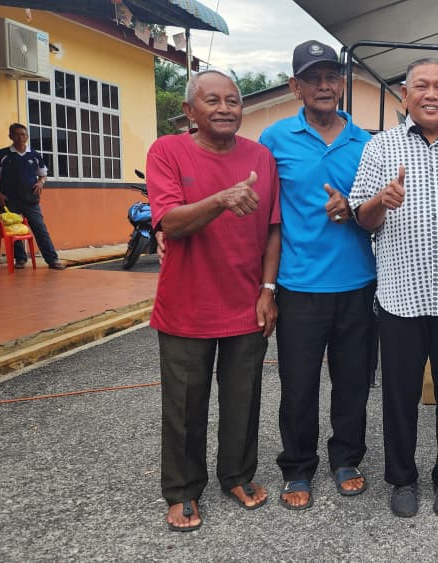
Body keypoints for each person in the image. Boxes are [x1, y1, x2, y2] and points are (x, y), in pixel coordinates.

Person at [348, 59, 438, 518]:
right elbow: (362, 217)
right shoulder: (380, 148)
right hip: (400, 297)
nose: (431, 94)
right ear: (405, 95)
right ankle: (402, 479)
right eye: (421, 86)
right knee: (400, 396)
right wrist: (381, 200)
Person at [146, 70, 281, 532]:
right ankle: (183, 490)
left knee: (243, 399)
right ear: (190, 110)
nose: (225, 108)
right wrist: (221, 199)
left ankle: (237, 476)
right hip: (185, 306)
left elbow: (273, 229)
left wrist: (268, 290)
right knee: (184, 405)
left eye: (233, 100)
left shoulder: (261, 157)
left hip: (246, 302)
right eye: (212, 100)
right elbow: (169, 222)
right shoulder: (167, 151)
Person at [258, 41, 377, 510]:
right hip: (299, 286)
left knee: (353, 382)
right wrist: (266, 287)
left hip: (357, 283)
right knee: (299, 385)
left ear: (341, 84)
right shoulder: (274, 140)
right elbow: (266, 216)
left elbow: (377, 213)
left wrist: (353, 209)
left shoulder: (366, 143)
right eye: (313, 78)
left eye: (331, 77)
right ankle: (297, 466)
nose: (324, 86)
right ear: (296, 86)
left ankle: (346, 459)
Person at [0, 123, 65, 270]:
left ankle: (52, 260)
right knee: (13, 231)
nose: (20, 137)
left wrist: (40, 183)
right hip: (8, 200)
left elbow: (43, 175)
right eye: (16, 134)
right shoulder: (2, 154)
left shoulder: (35, 155)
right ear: (11, 136)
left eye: (23, 134)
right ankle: (20, 259)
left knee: (40, 229)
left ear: (27, 136)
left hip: (30, 199)